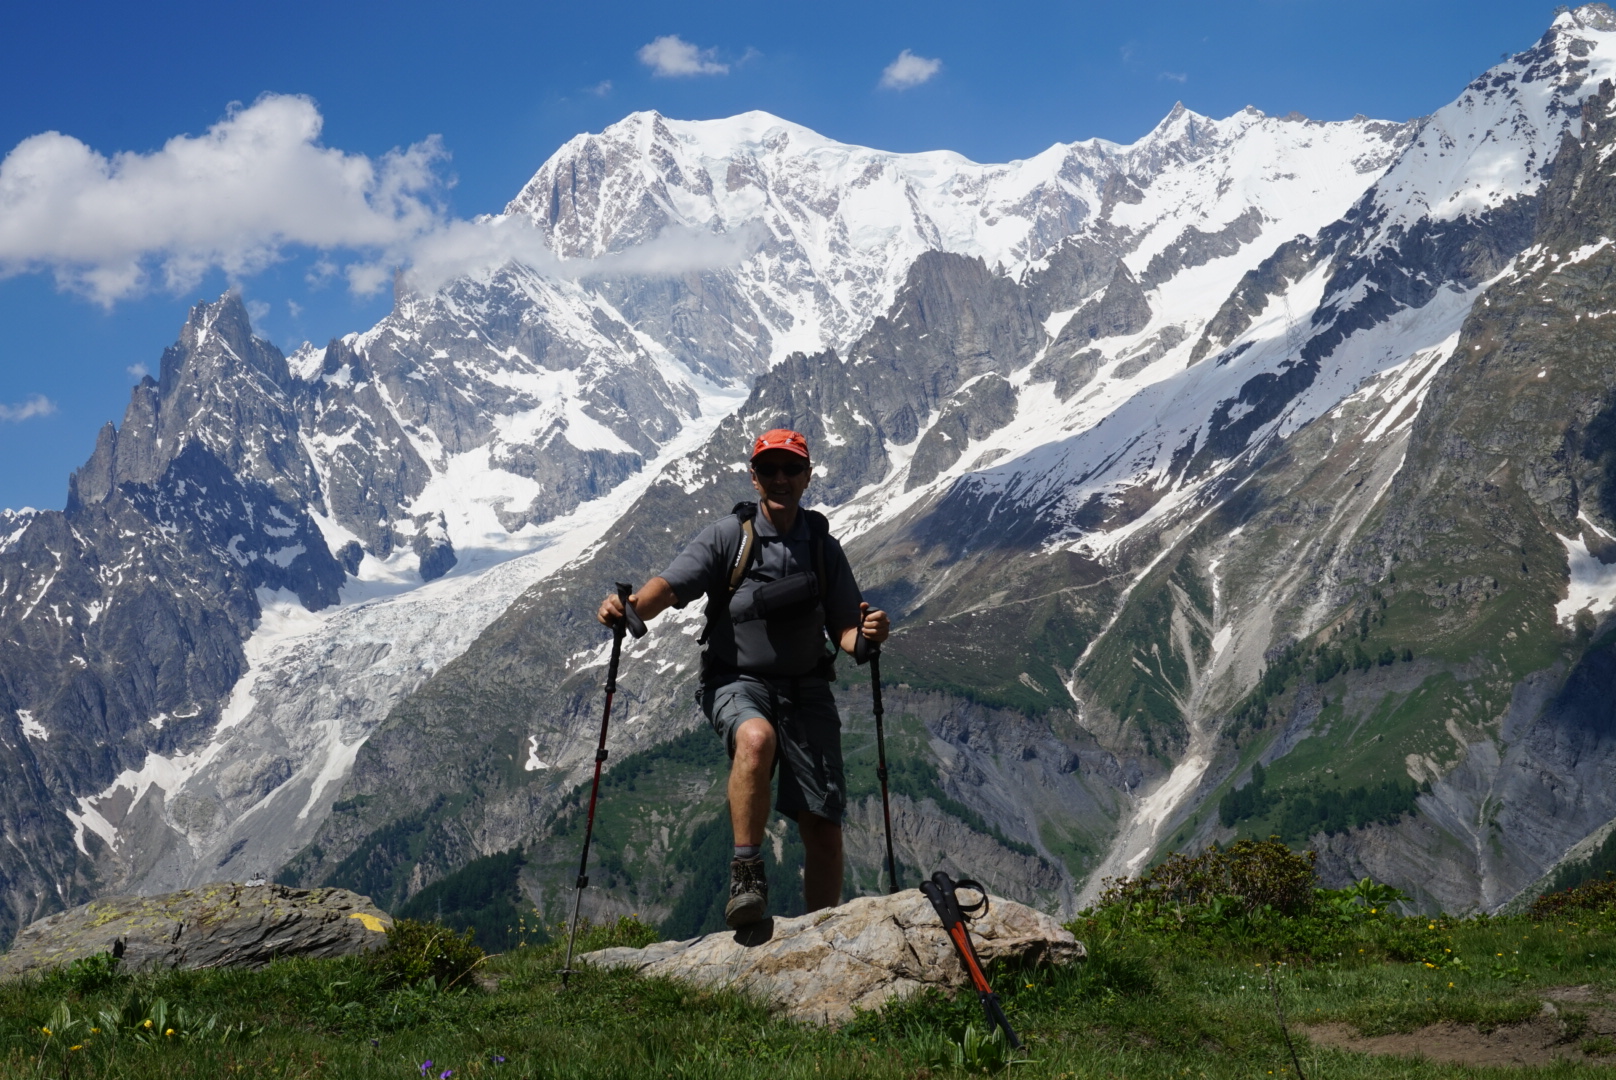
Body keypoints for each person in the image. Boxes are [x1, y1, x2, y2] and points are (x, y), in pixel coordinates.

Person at [597, 428, 890, 928]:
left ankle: (822, 934)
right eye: (769, 469)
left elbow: (845, 628)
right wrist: (629, 608)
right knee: (756, 739)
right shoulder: (729, 537)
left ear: (807, 476)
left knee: (824, 827)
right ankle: (747, 874)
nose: (781, 478)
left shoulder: (823, 547)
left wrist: (868, 634)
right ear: (754, 477)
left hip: (808, 689)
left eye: (791, 469)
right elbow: (670, 586)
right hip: (736, 681)